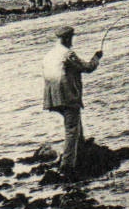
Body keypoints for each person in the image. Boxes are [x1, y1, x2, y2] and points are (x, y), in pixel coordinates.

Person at [42, 24, 103, 178]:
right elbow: (87, 67)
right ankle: (67, 165)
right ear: (67, 38)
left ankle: (80, 150)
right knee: (71, 129)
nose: (72, 41)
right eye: (71, 38)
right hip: (67, 96)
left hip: (52, 98)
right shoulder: (68, 54)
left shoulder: (49, 55)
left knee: (75, 125)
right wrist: (96, 57)